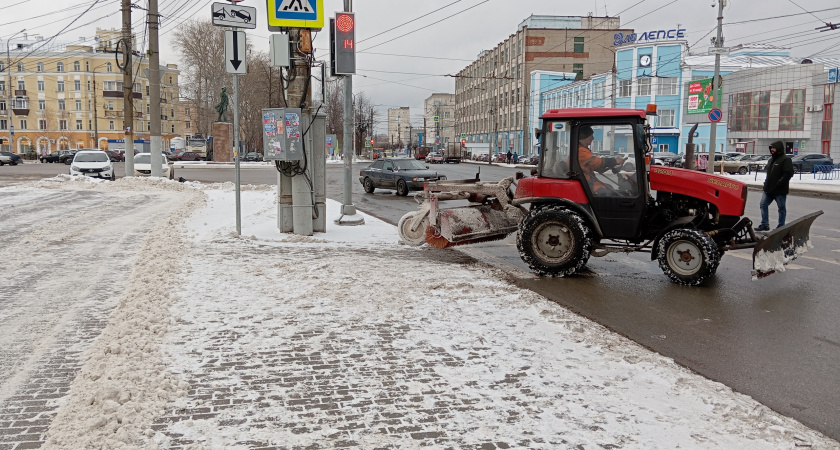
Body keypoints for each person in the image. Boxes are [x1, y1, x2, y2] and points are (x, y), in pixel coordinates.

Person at [756, 141, 793, 231]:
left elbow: (788, 173)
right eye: (771, 148)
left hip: (779, 190)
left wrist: (779, 183)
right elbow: (769, 174)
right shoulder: (771, 159)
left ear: (779, 149)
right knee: (763, 205)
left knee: (781, 208)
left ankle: (781, 226)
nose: (772, 150)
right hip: (768, 189)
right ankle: (764, 224)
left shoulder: (785, 159)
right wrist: (766, 184)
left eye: (774, 148)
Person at [577, 125, 625, 194]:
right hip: (585, 182)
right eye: (591, 136)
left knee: (610, 188)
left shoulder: (583, 150)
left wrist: (609, 166)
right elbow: (595, 162)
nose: (593, 138)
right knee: (608, 192)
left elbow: (596, 166)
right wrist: (614, 161)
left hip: (587, 180)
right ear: (584, 136)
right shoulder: (580, 151)